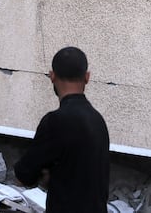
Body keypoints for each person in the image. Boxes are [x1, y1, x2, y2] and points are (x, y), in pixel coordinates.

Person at [14, 46, 110, 213]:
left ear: (52, 76)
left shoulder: (55, 121)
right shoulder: (97, 120)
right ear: (87, 77)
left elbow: (24, 176)